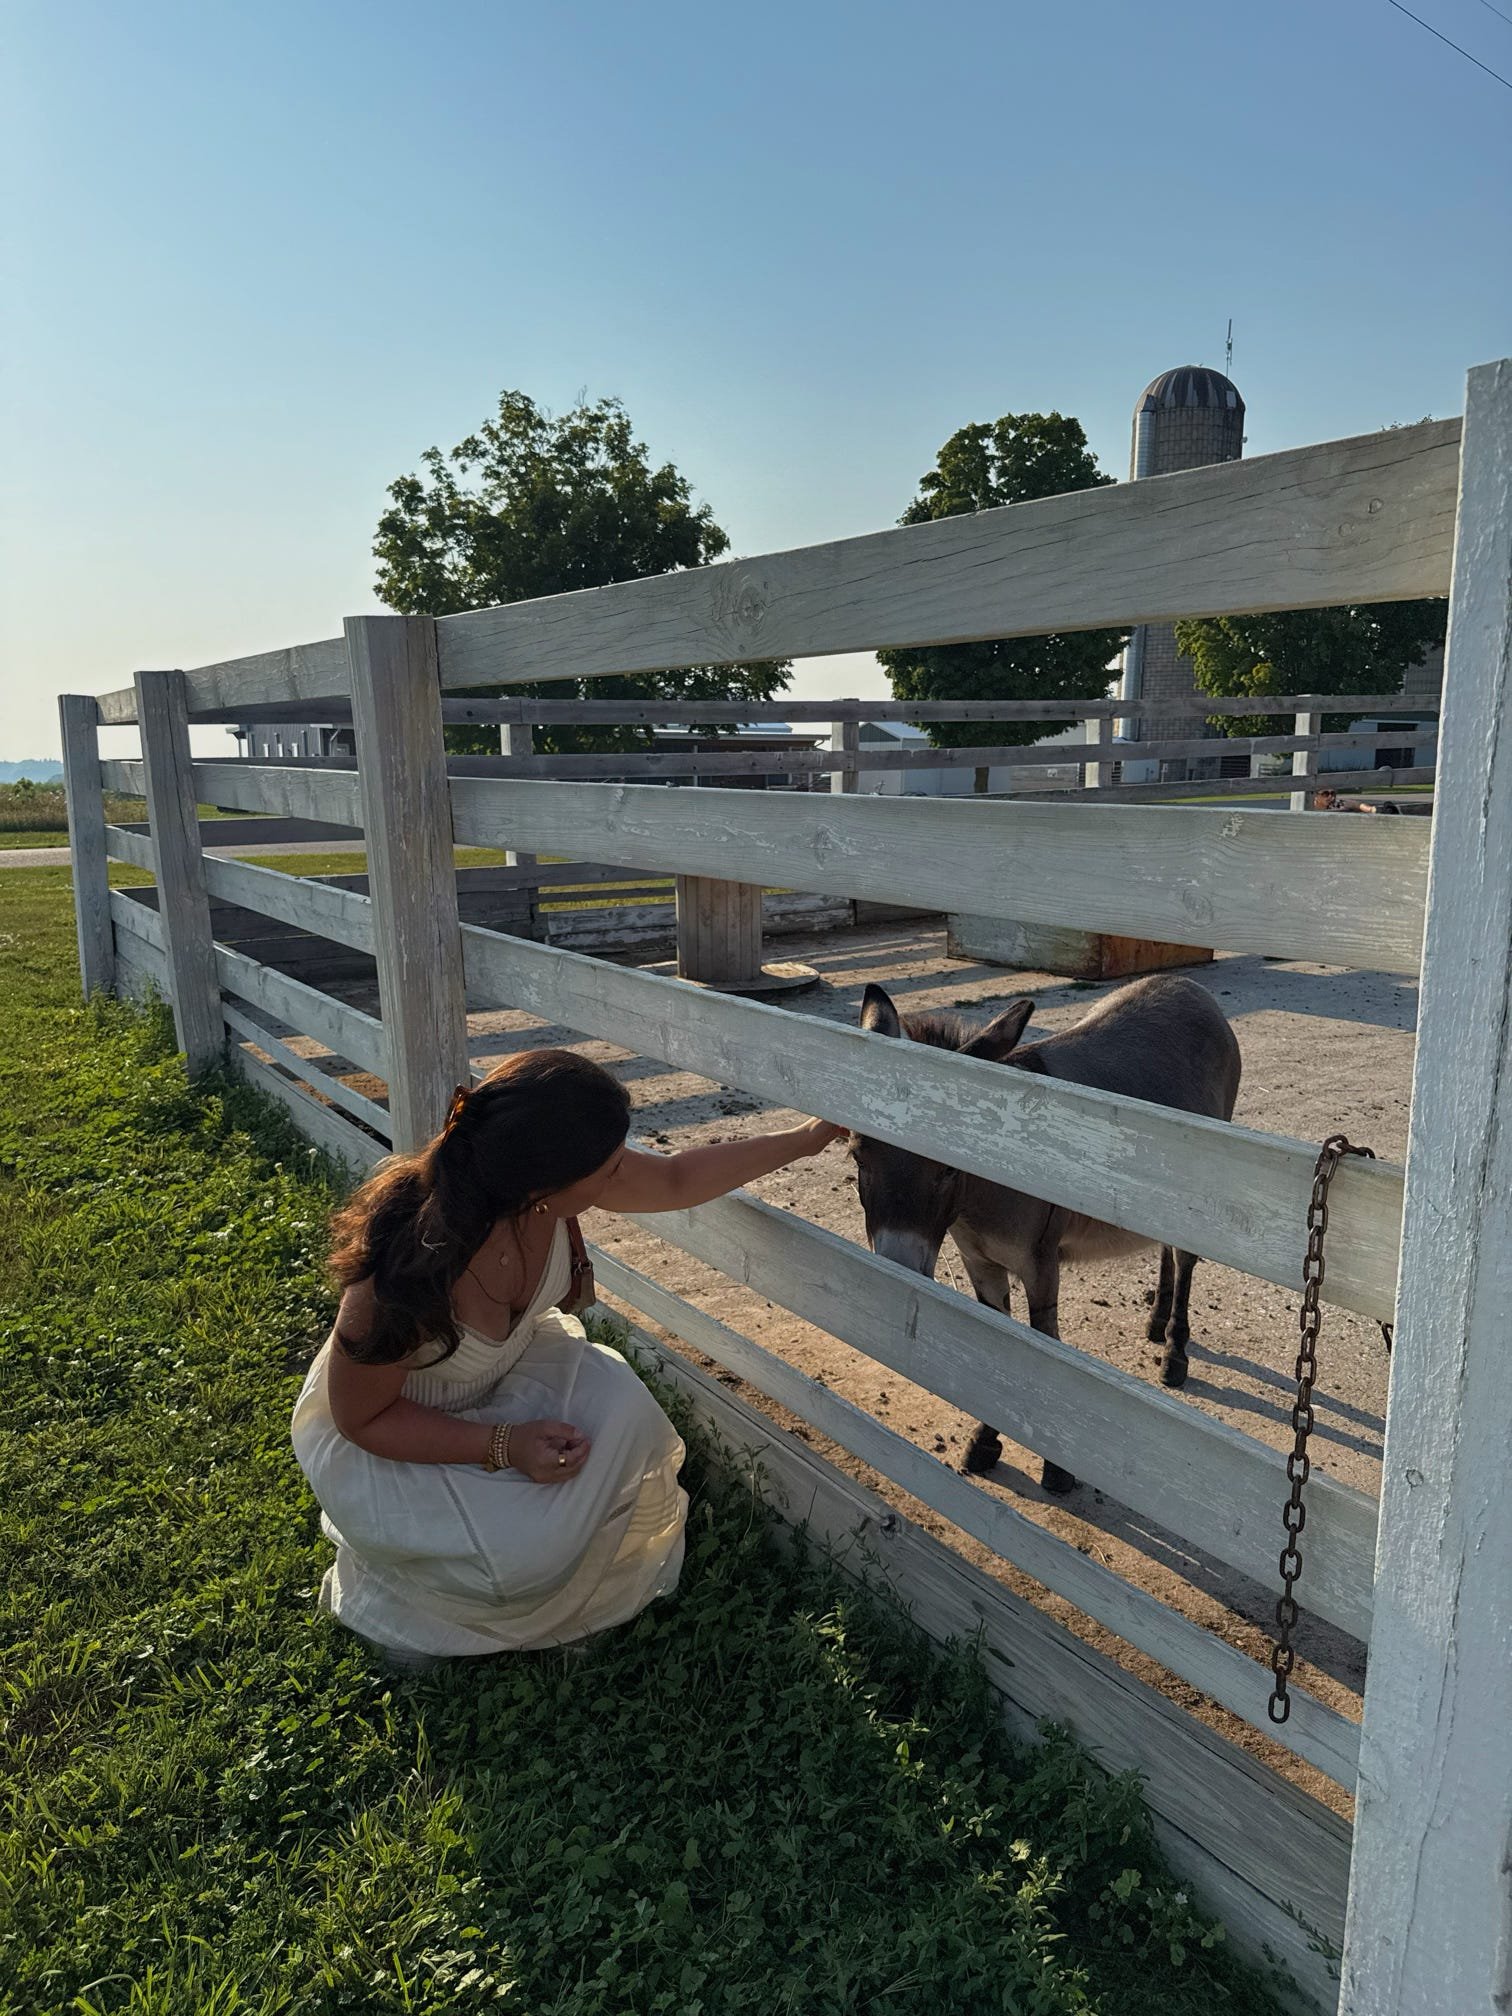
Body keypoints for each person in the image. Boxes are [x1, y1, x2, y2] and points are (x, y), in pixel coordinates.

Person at [291, 1048, 844, 1664]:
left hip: (509, 1375)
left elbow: (677, 1178)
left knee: (628, 1419)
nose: (622, 1174)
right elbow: (361, 1419)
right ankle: (413, 1617)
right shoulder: (406, 1266)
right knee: (518, 1555)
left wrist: (808, 1138)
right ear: (545, 1186)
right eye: (608, 1169)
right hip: (406, 1432)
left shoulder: (537, 1190)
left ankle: (570, 1602)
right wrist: (505, 1445)